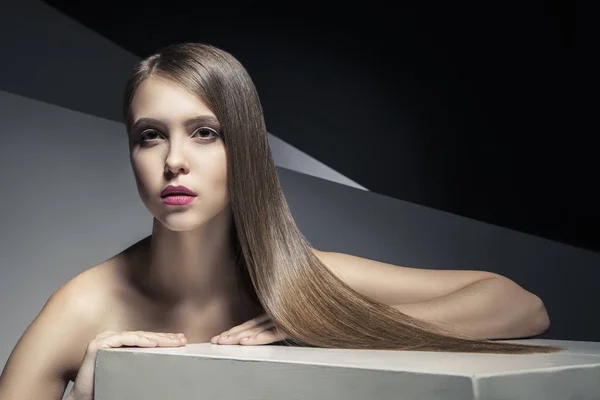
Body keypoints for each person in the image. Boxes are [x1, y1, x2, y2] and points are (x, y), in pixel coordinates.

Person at [0, 42, 562, 400]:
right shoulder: (85, 305)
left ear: (244, 146)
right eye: (150, 135)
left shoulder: (303, 279)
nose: (173, 160)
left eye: (204, 132)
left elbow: (520, 306)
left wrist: (323, 327)